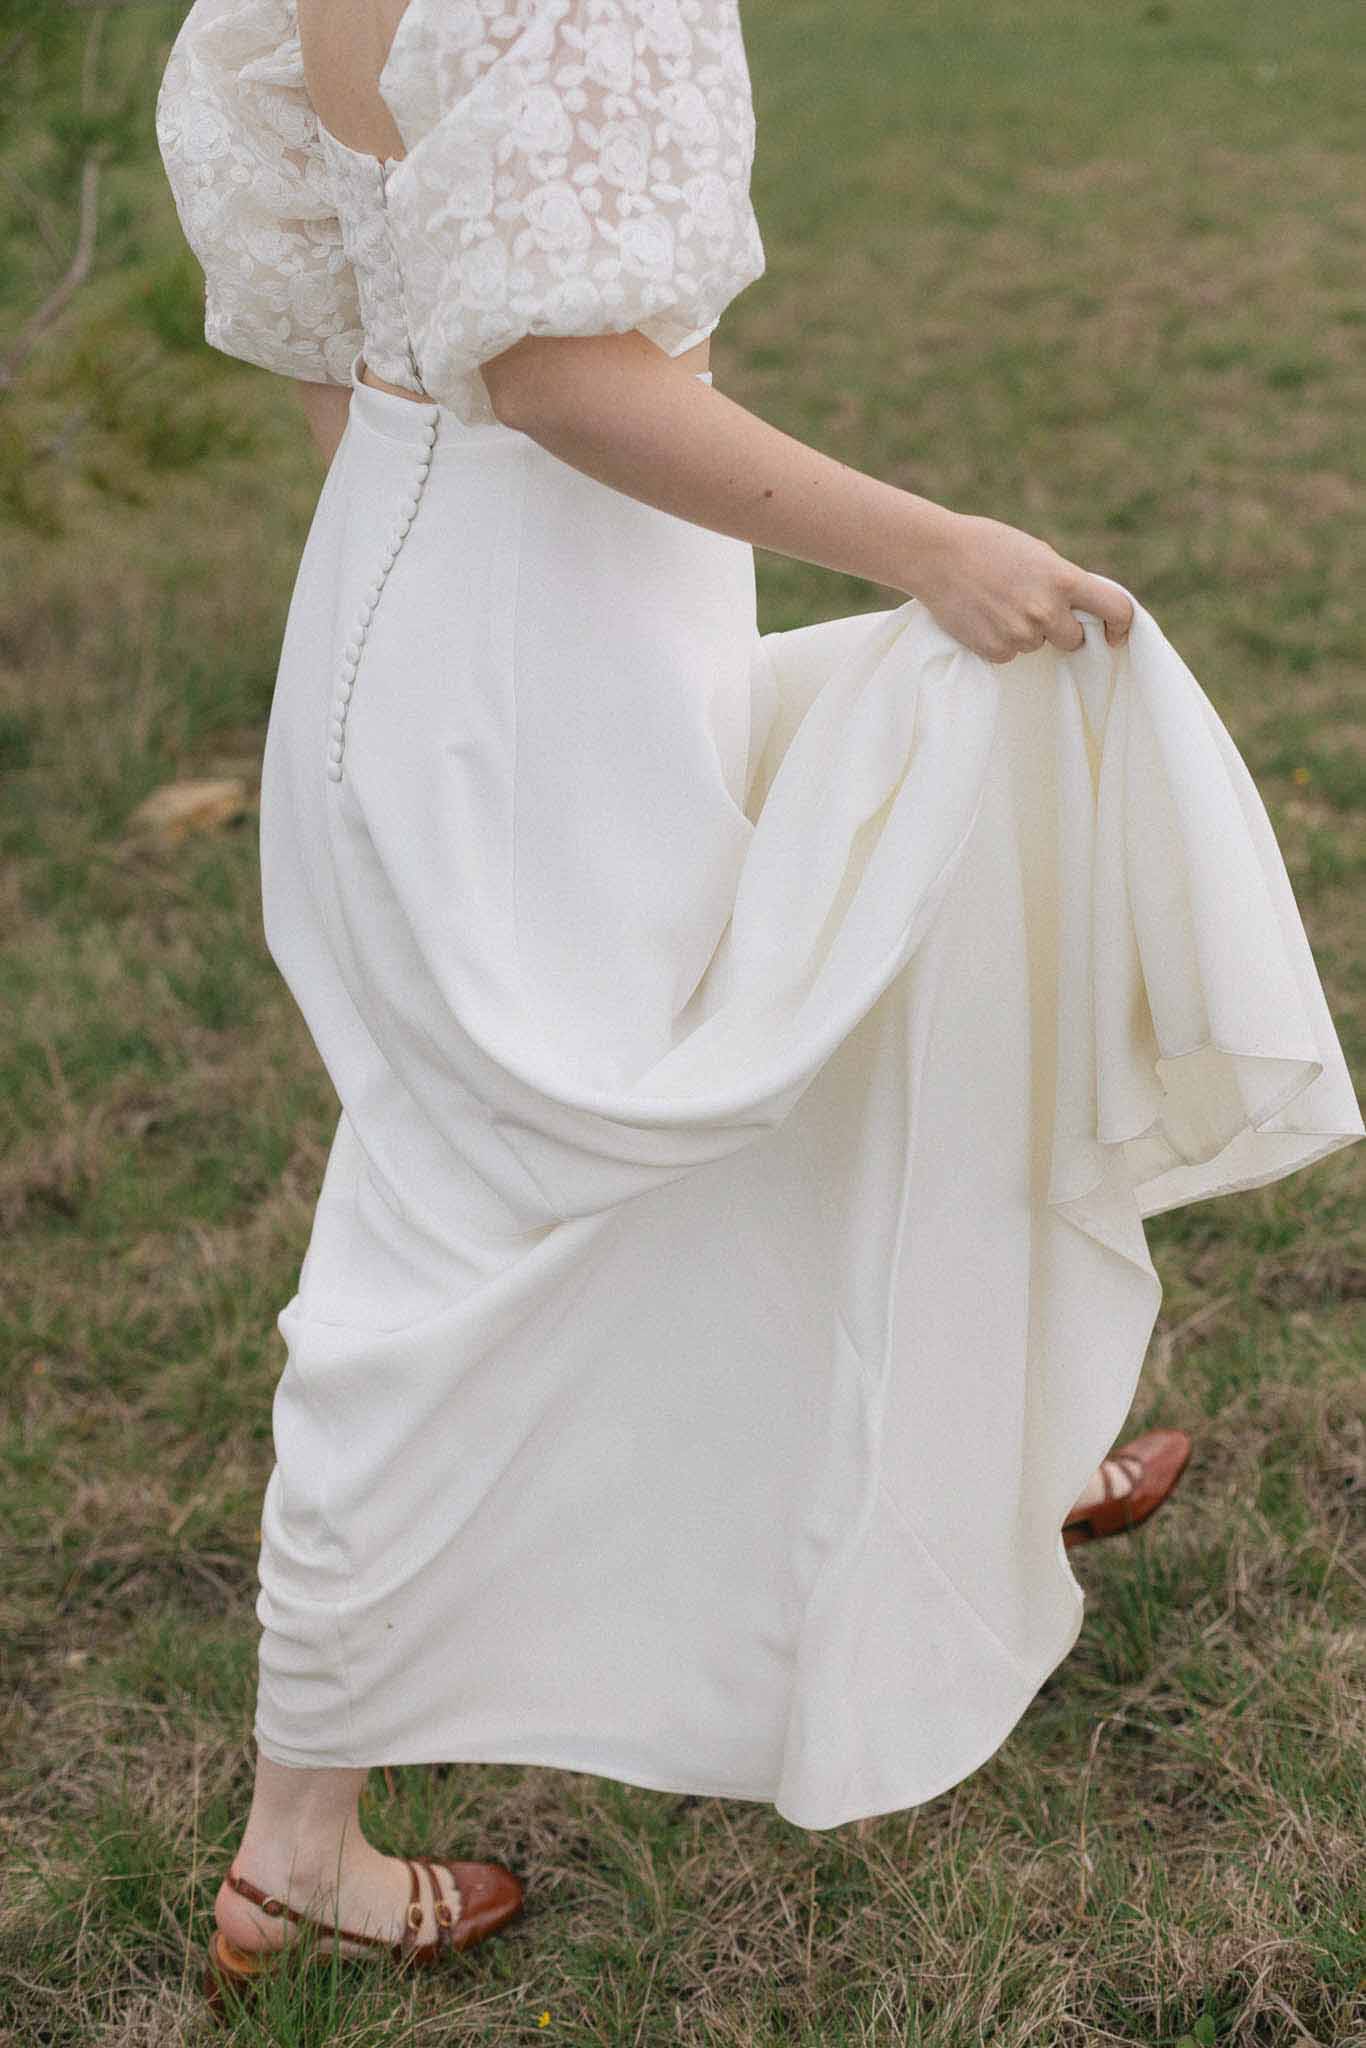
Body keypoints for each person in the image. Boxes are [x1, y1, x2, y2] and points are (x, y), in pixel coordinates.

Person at [154, 0, 1363, 2010]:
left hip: (434, 601)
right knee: (455, 1225)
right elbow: (556, 374)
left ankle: (981, 1427)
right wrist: (929, 543)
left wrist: (432, 572)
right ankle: (293, 1851)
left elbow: (336, 318)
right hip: (539, 644)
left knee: (828, 938)